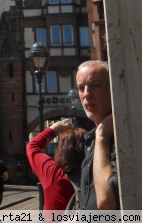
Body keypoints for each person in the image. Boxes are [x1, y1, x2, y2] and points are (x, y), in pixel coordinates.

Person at [76, 60, 119, 210]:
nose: (87, 94)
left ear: (112, 88)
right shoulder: (90, 141)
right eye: (81, 88)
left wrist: (101, 136)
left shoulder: (124, 137)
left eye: (95, 85)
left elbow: (106, 203)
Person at [26, 119, 86, 211]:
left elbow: (32, 146)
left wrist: (55, 129)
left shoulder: (53, 174)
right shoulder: (96, 176)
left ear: (61, 149)